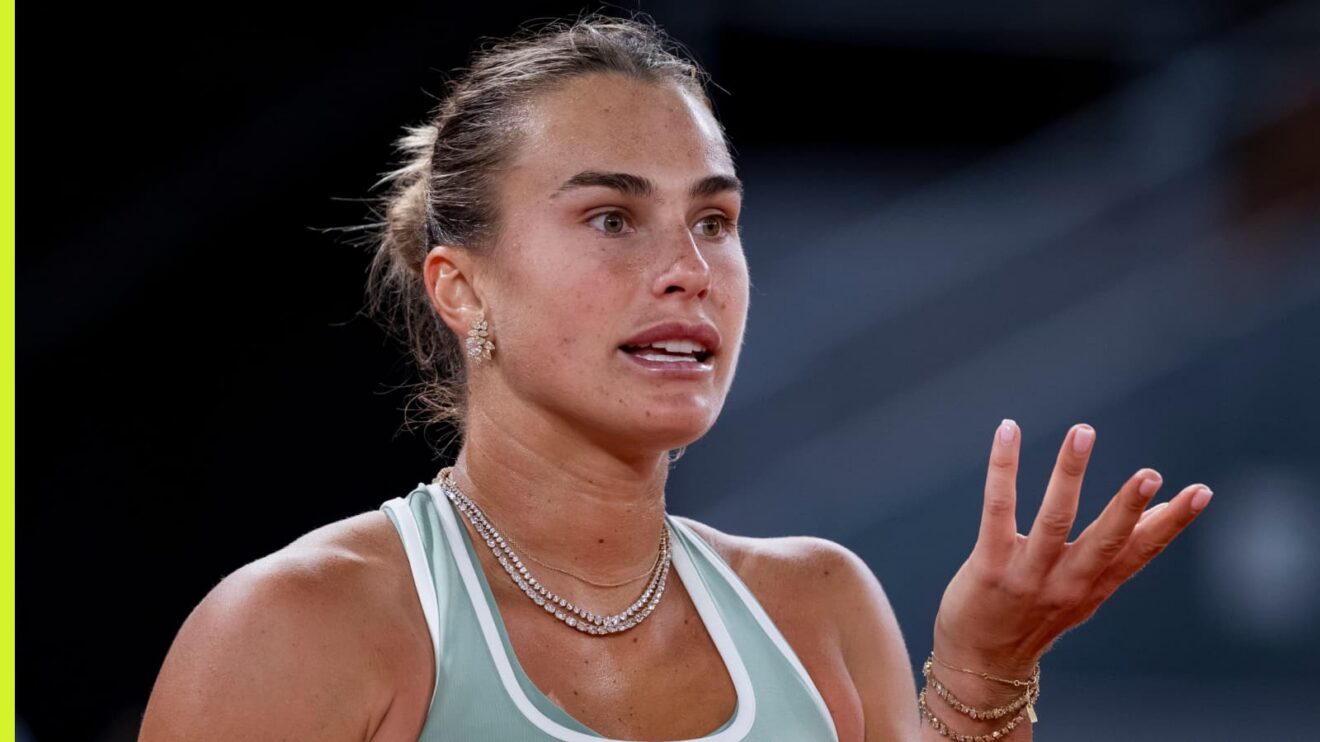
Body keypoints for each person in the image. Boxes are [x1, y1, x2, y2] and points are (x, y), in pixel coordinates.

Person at [138, 12, 1213, 742]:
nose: (690, 272)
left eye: (715, 220)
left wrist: (981, 673)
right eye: (612, 217)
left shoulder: (821, 606)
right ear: (461, 290)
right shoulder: (296, 627)